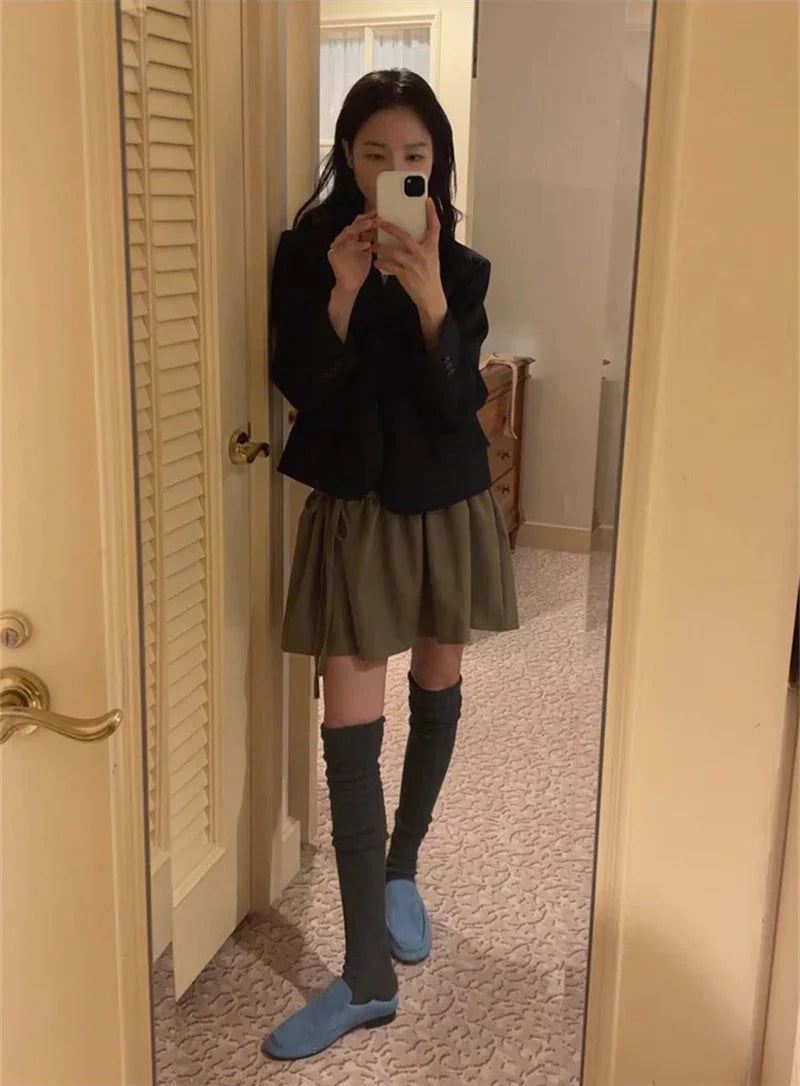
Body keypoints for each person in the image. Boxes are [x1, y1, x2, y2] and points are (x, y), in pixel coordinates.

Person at [261, 69, 519, 1061]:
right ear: (347, 155)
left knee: (438, 687)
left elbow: (458, 402)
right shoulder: (306, 252)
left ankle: (402, 867)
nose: (393, 170)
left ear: (435, 163)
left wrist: (429, 300)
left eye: (413, 156)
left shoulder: (463, 266)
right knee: (348, 730)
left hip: (446, 503)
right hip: (356, 511)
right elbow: (301, 383)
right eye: (375, 154)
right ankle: (367, 974)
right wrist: (339, 293)